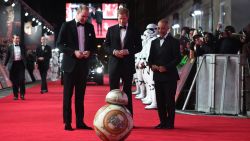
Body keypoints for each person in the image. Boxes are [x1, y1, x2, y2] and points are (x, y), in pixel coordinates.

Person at [56, 5, 96, 131]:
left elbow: (94, 45)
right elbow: (59, 44)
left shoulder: (90, 27)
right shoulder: (66, 26)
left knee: (80, 96)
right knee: (67, 96)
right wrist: (73, 52)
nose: (85, 18)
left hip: (83, 66)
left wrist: (89, 52)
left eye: (87, 16)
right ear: (77, 14)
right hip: (69, 66)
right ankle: (67, 123)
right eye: (83, 16)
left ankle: (80, 122)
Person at [104, 7, 142, 116]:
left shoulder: (134, 30)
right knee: (113, 92)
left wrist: (128, 51)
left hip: (128, 64)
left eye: (124, 19)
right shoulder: (111, 30)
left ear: (128, 18)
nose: (122, 21)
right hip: (114, 64)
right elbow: (106, 46)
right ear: (117, 17)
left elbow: (139, 47)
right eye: (120, 18)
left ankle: (129, 118)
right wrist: (114, 52)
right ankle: (113, 116)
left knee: (127, 92)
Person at [148, 19, 181, 129]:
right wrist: (152, 65)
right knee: (160, 101)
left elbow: (178, 59)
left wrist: (166, 67)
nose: (160, 30)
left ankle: (170, 123)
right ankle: (162, 122)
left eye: (162, 28)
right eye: (159, 28)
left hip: (170, 76)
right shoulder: (154, 42)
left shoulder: (175, 42)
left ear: (167, 28)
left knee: (169, 101)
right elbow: (150, 59)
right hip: (157, 76)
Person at [4, 34, 26, 100]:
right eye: (16, 38)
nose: (17, 40)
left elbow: (25, 55)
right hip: (13, 65)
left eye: (18, 38)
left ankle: (22, 94)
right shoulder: (10, 47)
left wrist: (26, 62)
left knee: (22, 79)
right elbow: (7, 56)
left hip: (21, 64)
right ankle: (15, 95)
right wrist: (5, 65)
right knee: (14, 81)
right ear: (13, 39)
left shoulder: (22, 46)